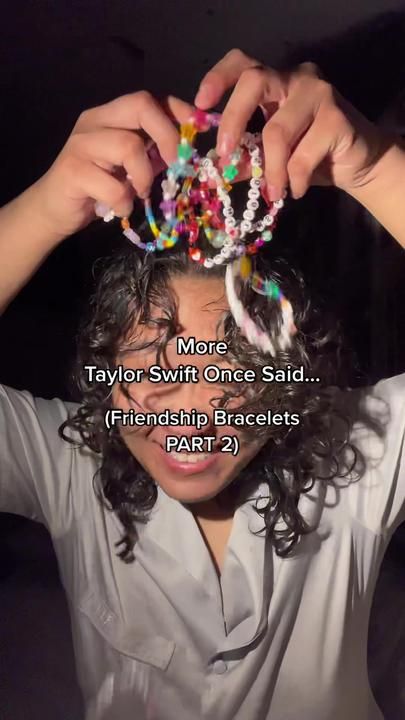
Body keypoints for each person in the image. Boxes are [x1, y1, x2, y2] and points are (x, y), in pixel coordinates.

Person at [0, 48, 404, 720]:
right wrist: (40, 210)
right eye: (153, 362)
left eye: (232, 362)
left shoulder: (356, 460)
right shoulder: (66, 465)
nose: (191, 408)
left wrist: (375, 168)